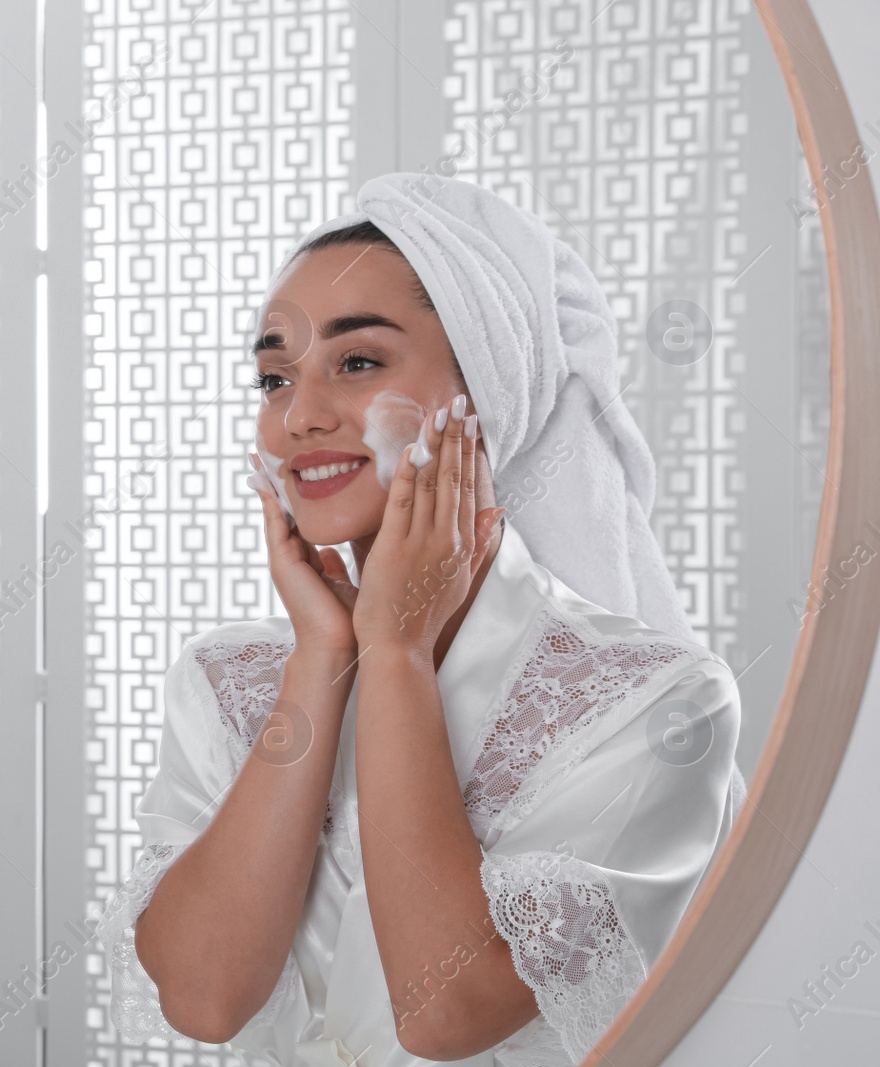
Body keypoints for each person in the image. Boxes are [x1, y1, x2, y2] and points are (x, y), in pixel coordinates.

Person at [95, 172, 748, 1066]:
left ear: (483, 394)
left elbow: (448, 1014)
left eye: (358, 362)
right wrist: (325, 656)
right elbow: (205, 998)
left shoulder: (656, 700)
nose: (298, 416)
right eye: (272, 375)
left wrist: (395, 652)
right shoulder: (228, 680)